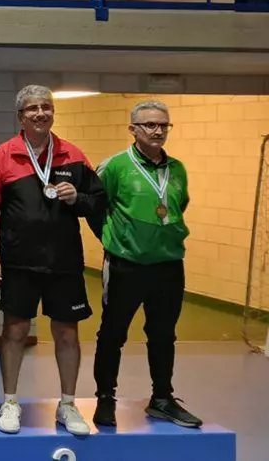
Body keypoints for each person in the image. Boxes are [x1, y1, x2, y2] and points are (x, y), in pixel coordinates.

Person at [0, 84, 106, 436]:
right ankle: (10, 402)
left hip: (64, 262)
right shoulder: (2, 157)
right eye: (32, 108)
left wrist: (77, 197)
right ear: (21, 116)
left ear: (53, 112)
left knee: (67, 332)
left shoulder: (73, 155)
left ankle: (68, 404)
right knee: (15, 330)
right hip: (18, 261)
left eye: (46, 107)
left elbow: (98, 202)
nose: (40, 113)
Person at [91, 101, 203, 428]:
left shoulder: (177, 169)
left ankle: (162, 399)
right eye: (150, 125)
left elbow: (178, 206)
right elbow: (94, 207)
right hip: (125, 265)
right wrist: (113, 239)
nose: (158, 131)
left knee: (163, 334)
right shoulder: (115, 166)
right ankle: (105, 398)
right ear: (133, 130)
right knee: (113, 333)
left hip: (169, 265)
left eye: (163, 125)